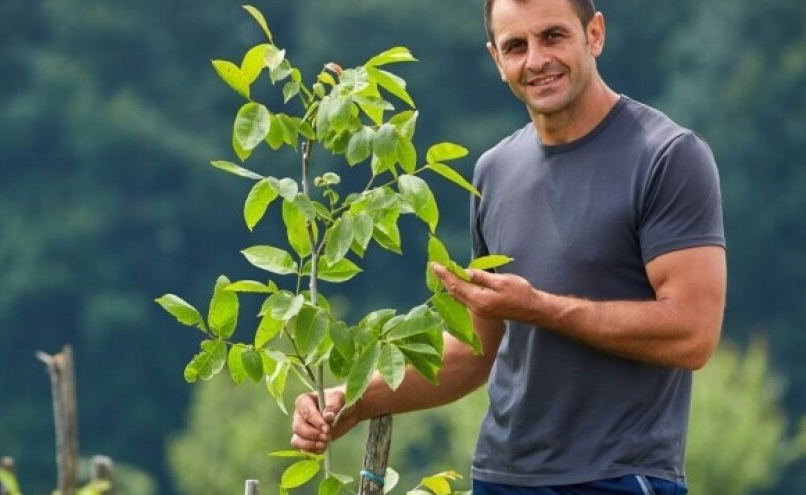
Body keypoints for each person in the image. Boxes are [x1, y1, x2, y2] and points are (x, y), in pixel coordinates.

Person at [291, 0, 727, 493]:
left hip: (619, 476)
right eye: (516, 46)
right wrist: (352, 400)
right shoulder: (494, 170)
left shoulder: (668, 156)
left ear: (595, 34)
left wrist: (540, 308)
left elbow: (693, 335)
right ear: (497, 60)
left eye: (553, 36)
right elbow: (476, 350)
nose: (537, 60)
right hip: (500, 477)